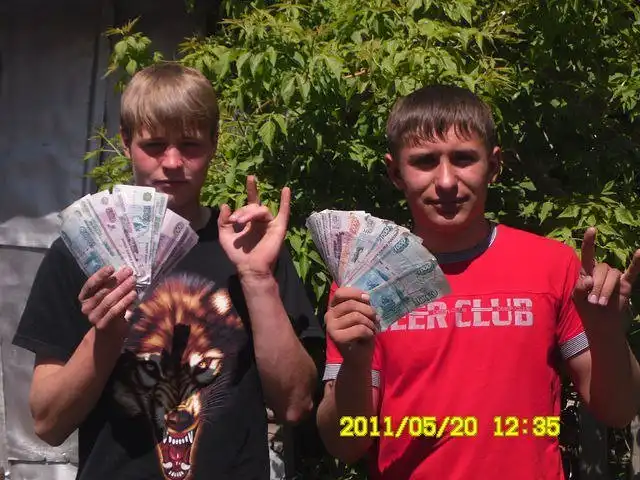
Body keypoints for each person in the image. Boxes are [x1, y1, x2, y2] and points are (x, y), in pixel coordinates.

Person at [12, 62, 323, 480]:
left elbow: (295, 404)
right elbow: (48, 422)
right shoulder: (80, 252)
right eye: (155, 145)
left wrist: (258, 280)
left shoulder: (251, 252)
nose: (172, 162)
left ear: (214, 143)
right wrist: (107, 334)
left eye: (190, 145)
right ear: (126, 142)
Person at [316, 84, 640, 479]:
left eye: (464, 158)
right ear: (395, 172)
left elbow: (619, 410)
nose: (446, 181)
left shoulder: (552, 265)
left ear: (494, 165)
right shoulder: (361, 283)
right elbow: (345, 444)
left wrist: (607, 334)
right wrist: (355, 365)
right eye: (424, 162)